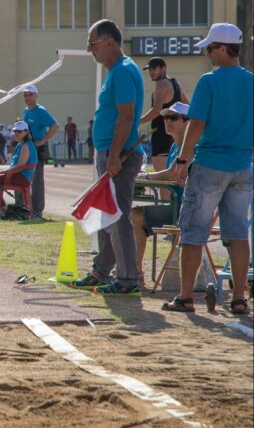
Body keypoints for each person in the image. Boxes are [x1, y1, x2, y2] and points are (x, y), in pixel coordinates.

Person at [166, 23, 252, 315]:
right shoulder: (251, 82)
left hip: (210, 165)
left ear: (224, 48)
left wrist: (182, 160)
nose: (208, 53)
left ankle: (186, 297)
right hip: (242, 166)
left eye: (211, 47)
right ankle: (239, 298)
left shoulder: (209, 81)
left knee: (192, 232)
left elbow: (197, 123)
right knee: (238, 234)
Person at [71, 19, 145, 295]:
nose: (90, 50)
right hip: (111, 153)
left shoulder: (123, 71)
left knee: (116, 217)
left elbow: (126, 115)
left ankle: (127, 280)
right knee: (105, 216)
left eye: (92, 44)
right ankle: (101, 271)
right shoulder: (118, 71)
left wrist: (114, 156)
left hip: (120, 155)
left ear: (108, 42)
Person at [131, 102, 189, 282]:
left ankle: (134, 272)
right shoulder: (174, 146)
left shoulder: (189, 146)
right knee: (133, 214)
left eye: (173, 118)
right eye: (165, 117)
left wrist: (146, 177)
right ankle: (135, 270)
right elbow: (169, 176)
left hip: (184, 208)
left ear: (187, 122)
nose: (167, 121)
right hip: (174, 205)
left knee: (136, 216)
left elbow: (171, 173)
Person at [139, 57, 188, 180]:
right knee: (173, 177)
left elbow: (156, 111)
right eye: (149, 70)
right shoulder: (177, 84)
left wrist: (136, 122)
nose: (151, 72)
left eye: (154, 69)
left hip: (161, 134)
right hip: (175, 137)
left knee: (163, 179)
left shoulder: (161, 84)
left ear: (164, 68)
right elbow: (188, 107)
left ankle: (164, 200)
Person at [0, 121, 37, 212]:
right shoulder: (21, 144)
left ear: (26, 132)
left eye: (19, 131)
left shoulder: (26, 145)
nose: (16, 133)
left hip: (22, 178)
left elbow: (20, 166)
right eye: (15, 131)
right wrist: (2, 171)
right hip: (15, 175)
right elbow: (15, 166)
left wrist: (1, 172)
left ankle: (1, 208)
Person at [21, 84, 59, 216]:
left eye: (30, 94)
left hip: (38, 148)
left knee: (36, 179)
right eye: (25, 95)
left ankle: (37, 210)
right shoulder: (26, 111)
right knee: (23, 176)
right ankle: (24, 207)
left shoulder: (41, 111)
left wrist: (42, 141)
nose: (28, 97)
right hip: (27, 148)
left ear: (36, 96)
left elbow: (55, 126)